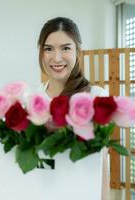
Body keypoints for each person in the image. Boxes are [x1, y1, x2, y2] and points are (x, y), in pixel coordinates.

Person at [37, 17, 109, 200]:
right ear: (41, 52)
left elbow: (102, 163)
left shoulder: (96, 97)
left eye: (66, 48)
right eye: (48, 49)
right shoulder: (33, 99)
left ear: (78, 52)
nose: (56, 58)